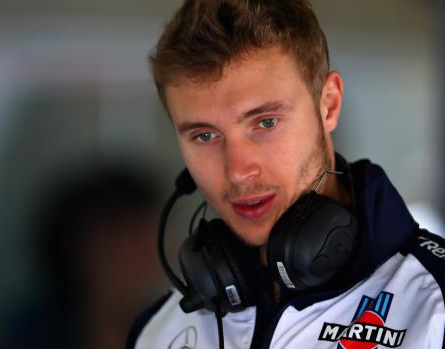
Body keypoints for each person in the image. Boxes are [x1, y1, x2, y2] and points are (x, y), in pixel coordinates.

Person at [128, 0, 445, 348]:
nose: (238, 172)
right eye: (205, 136)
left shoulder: (434, 305)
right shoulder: (157, 331)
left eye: (265, 122)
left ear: (329, 105)